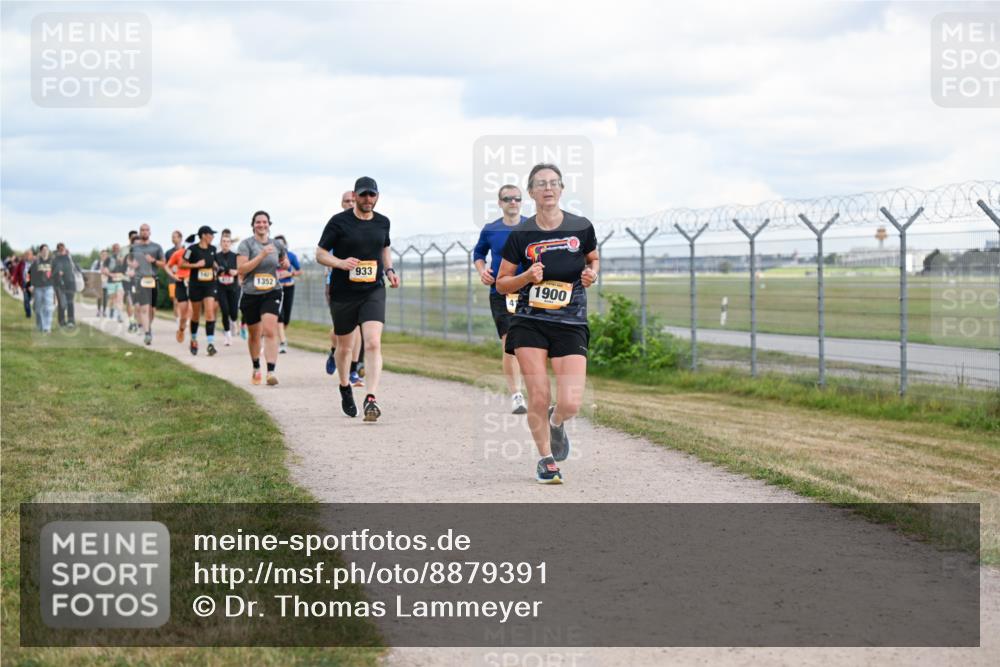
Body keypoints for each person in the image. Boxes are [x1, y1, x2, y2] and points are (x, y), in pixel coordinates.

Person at [496, 163, 599, 485]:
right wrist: (526, 276)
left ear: (562, 189)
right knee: (538, 395)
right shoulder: (521, 234)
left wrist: (591, 273)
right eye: (541, 184)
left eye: (554, 183)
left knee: (570, 402)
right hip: (530, 322)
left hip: (570, 322)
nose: (548, 188)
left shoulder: (581, 227)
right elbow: (502, 283)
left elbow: (593, 258)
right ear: (531, 193)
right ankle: (546, 460)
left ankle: (557, 422)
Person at [316, 176, 399, 421]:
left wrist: (390, 270)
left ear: (377, 196)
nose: (367, 199)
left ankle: (371, 398)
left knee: (372, 342)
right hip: (343, 292)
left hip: (373, 289)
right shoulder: (339, 222)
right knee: (345, 346)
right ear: (355, 195)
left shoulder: (383, 222)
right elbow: (320, 254)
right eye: (362, 195)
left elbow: (385, 247)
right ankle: (344, 386)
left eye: (371, 195)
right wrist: (340, 263)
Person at [474, 184, 529, 414]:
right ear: (500, 203)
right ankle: (516, 394)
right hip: (502, 292)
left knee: (531, 344)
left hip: (529, 291)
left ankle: (534, 390)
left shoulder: (533, 226)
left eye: (516, 198)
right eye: (508, 199)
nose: (513, 202)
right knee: (509, 344)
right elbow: (479, 254)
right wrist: (482, 271)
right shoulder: (491, 229)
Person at [237, 210, 290, 386]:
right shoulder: (246, 245)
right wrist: (261, 255)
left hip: (272, 291)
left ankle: (271, 371)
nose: (261, 225)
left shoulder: (277, 244)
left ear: (269, 224)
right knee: (254, 334)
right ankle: (255, 367)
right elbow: (242, 269)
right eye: (258, 222)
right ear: (253, 225)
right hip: (251, 293)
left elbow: (284, 261)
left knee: (269, 330)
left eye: (264, 222)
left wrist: (285, 263)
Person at [325, 190, 366, 385]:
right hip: (337, 284)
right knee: (339, 330)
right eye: (346, 201)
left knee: (358, 327)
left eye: (352, 200)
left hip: (362, 285)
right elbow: (324, 254)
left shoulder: (368, 223)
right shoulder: (337, 225)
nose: (350, 203)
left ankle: (353, 370)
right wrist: (340, 262)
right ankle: (334, 351)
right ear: (342, 204)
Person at [180, 226, 220, 356]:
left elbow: (214, 263)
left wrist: (218, 267)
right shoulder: (191, 249)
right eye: (211, 234)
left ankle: (210, 344)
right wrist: (196, 265)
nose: (213, 237)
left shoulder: (213, 249)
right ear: (203, 235)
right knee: (196, 315)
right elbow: (181, 264)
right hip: (196, 285)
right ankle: (193, 339)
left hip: (210, 284)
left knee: (209, 312)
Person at [128, 224, 166, 345]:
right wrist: (132, 265)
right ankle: (147, 333)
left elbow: (164, 264)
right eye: (142, 230)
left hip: (153, 279)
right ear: (140, 233)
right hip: (140, 280)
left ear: (150, 232)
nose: (144, 232)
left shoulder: (156, 247)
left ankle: (148, 326)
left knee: (152, 309)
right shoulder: (134, 248)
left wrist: (153, 261)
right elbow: (130, 260)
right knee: (144, 308)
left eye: (146, 230)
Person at [273, 234, 302, 354]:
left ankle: (278, 337)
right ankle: (283, 341)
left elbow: (300, 271)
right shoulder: (271, 257)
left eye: (282, 243)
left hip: (289, 287)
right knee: (280, 315)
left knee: (286, 318)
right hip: (276, 289)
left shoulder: (291, 256)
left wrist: (289, 274)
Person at [214, 229, 240, 346]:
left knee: (233, 312)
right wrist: (218, 272)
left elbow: (241, 269)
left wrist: (236, 272)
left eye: (227, 241)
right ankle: (227, 335)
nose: (225, 243)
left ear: (230, 243)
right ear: (221, 243)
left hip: (233, 287)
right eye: (223, 241)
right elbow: (212, 269)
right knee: (225, 311)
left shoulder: (235, 256)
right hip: (221, 287)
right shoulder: (216, 256)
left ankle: (234, 321)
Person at [166, 239, 191, 343]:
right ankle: (181, 329)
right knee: (183, 312)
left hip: (193, 283)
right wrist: (173, 275)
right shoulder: (177, 254)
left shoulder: (199, 254)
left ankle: (193, 338)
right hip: (181, 283)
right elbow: (167, 266)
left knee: (192, 309)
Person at [29, 244, 56, 334]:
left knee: (48, 307)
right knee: (38, 308)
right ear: (40, 252)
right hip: (38, 288)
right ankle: (40, 325)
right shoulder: (36, 262)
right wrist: (31, 285)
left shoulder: (52, 262)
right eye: (43, 250)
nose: (45, 251)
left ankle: (47, 327)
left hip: (49, 287)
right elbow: (31, 274)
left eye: (47, 250)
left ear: (48, 251)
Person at [52, 243, 78, 328]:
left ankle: (71, 321)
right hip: (59, 284)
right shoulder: (55, 259)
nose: (62, 250)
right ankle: (61, 322)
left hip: (70, 283)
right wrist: (58, 273)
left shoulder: (69, 258)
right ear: (58, 250)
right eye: (60, 249)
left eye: (63, 249)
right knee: (62, 303)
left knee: (70, 302)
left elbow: (76, 268)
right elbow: (52, 272)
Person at [101, 244, 126, 322]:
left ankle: (119, 315)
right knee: (112, 299)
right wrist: (111, 274)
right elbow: (104, 270)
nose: (117, 250)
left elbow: (126, 269)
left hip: (120, 282)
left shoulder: (123, 259)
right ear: (113, 249)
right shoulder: (109, 259)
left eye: (118, 248)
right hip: (111, 281)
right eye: (115, 248)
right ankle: (111, 310)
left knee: (119, 298)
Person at [12, 250, 33, 319]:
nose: (28, 256)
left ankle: (29, 308)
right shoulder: (21, 263)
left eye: (29, 255)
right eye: (27, 255)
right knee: (26, 299)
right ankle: (28, 314)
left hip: (32, 284)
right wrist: (14, 282)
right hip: (24, 283)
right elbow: (16, 272)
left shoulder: (34, 263)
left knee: (29, 298)